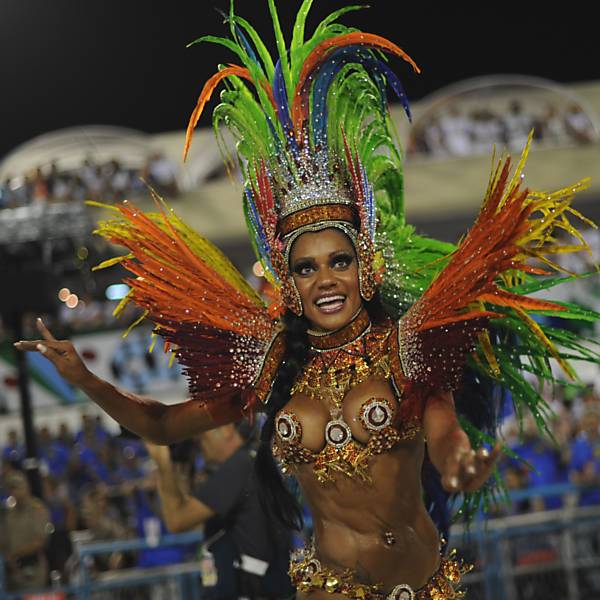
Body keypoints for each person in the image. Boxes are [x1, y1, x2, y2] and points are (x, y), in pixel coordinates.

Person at [15, 3, 598, 598]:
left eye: (339, 261)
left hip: (418, 587)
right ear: (289, 283)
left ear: (364, 271)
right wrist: (84, 379)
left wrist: (460, 466)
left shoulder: (407, 350)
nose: (325, 279)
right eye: (307, 267)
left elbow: (445, 433)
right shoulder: (271, 367)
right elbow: (162, 426)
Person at [145, 423, 294, 599]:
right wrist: (181, 464)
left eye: (203, 437)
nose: (201, 445)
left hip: (250, 591)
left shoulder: (239, 466)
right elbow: (196, 521)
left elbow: (177, 521)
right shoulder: (254, 461)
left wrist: (163, 463)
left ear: (227, 429)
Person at [0, 470, 52, 591]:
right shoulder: (8, 512)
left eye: (18, 487)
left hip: (32, 567)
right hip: (11, 570)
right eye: (12, 488)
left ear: (26, 486)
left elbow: (39, 541)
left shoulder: (37, 509)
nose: (15, 492)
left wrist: (14, 555)